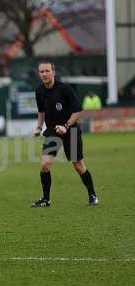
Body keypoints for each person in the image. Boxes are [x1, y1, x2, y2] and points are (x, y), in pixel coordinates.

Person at [31, 61, 99, 207]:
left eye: (47, 71)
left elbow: (77, 111)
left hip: (71, 131)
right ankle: (46, 199)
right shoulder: (39, 91)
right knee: (45, 164)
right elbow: (41, 111)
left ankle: (92, 195)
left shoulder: (65, 89)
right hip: (52, 133)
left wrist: (66, 126)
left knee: (78, 164)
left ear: (53, 72)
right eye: (41, 72)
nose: (44, 74)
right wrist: (38, 127)